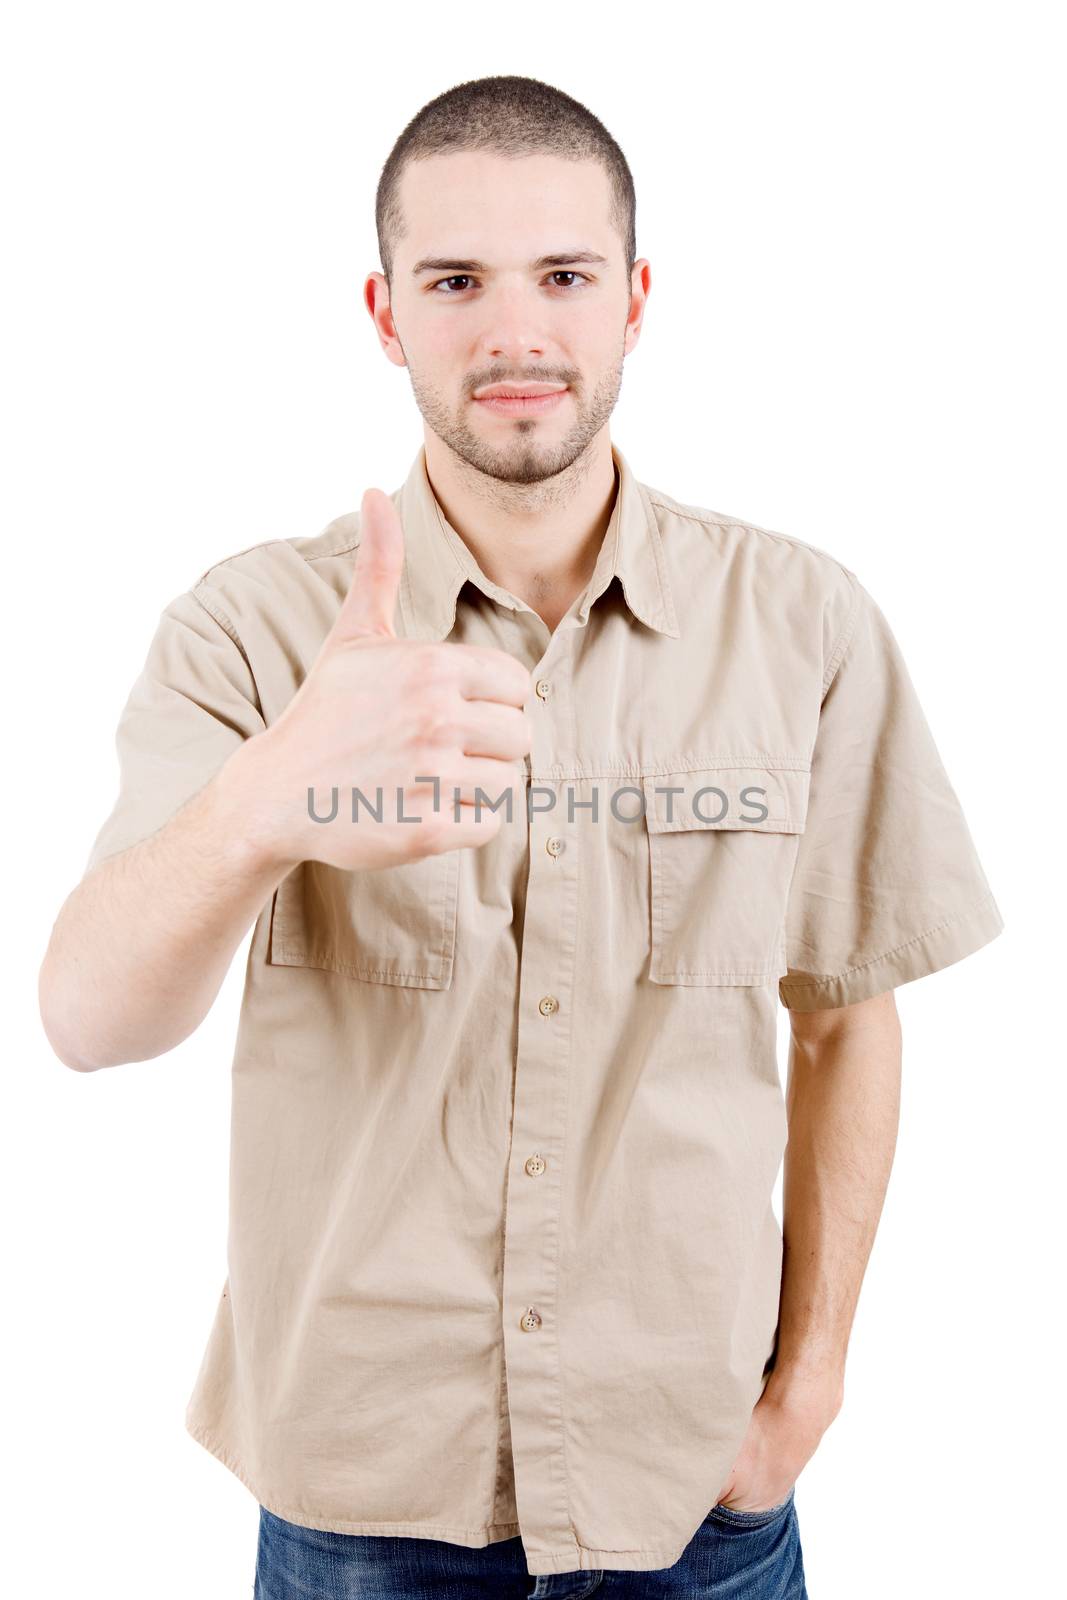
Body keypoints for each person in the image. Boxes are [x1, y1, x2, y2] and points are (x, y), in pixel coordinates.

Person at [39, 73, 1004, 1599]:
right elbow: (87, 1019)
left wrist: (806, 1391)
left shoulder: (801, 622)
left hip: (696, 1494)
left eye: (562, 276)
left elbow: (846, 1018)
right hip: (364, 1501)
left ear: (633, 300)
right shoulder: (252, 627)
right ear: (384, 310)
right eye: (456, 282)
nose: (514, 335)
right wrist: (274, 790)